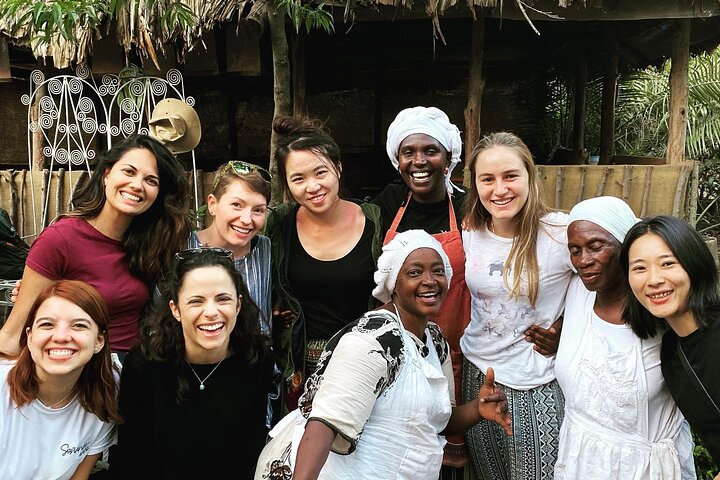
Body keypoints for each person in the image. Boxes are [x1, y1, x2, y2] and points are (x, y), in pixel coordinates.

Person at [254, 230, 512, 480]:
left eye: (438, 270)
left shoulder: (433, 340)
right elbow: (323, 424)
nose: (430, 280)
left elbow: (436, 420)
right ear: (393, 284)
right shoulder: (373, 339)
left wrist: (478, 410)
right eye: (414, 272)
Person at [0, 134, 192, 358]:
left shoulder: (151, 242)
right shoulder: (61, 239)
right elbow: (13, 335)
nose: (137, 185)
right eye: (129, 171)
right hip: (82, 374)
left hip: (137, 370)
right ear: (106, 174)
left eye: (151, 180)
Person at [555, 197, 695, 479]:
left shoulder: (662, 312)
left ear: (625, 249)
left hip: (645, 468)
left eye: (596, 247)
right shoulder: (576, 293)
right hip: (580, 459)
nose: (583, 260)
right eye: (575, 250)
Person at [460, 131, 573, 480]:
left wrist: (566, 327)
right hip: (478, 374)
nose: (500, 189)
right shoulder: (470, 231)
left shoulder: (561, 233)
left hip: (537, 380)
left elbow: (605, 283)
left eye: (510, 176)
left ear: (530, 176)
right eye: (487, 179)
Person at [110, 247, 274, 479]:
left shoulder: (256, 359)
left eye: (222, 299)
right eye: (196, 301)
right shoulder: (145, 364)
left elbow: (249, 453)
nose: (211, 312)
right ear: (175, 309)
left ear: (238, 305)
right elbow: (132, 456)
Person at [265, 116, 383, 411]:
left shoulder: (376, 221)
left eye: (321, 172)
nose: (313, 186)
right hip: (300, 369)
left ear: (338, 168)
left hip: (366, 367)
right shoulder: (278, 225)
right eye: (298, 179)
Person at [622, 215, 720, 467]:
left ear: (694, 265)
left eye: (667, 264)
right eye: (639, 268)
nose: (653, 280)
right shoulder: (671, 355)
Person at [0, 280, 120, 479]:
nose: (61, 336)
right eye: (47, 324)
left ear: (99, 341)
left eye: (79, 325)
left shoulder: (107, 389)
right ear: (29, 337)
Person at [188, 160, 273, 335]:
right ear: (212, 204)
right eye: (236, 205)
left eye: (258, 210)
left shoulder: (265, 248)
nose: (247, 219)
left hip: (257, 358)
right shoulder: (183, 247)